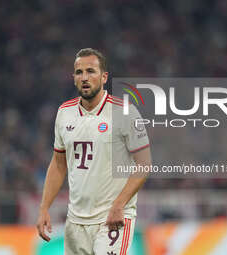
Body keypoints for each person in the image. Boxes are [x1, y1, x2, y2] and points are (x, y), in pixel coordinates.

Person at [36, 48, 152, 255]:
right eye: (79, 72)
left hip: (112, 218)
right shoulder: (64, 113)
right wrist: (44, 207)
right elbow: (58, 163)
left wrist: (119, 205)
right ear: (73, 78)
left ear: (104, 77)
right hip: (76, 221)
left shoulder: (124, 112)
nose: (85, 77)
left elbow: (144, 164)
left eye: (91, 71)